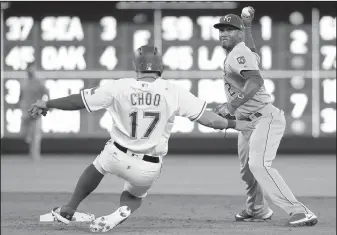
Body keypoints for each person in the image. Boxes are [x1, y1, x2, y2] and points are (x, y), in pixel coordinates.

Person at [29, 45, 255, 232]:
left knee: (97, 166)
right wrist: (237, 124)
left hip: (116, 153)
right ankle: (122, 211)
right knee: (134, 195)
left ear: (136, 66)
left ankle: (69, 208)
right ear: (160, 68)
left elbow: (78, 101)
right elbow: (211, 121)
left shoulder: (120, 86)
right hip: (148, 166)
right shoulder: (173, 90)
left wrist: (47, 104)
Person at [212, 7, 318, 226]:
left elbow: (255, 81)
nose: (224, 32)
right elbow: (251, 50)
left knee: (259, 165)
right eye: (221, 29)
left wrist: (231, 106)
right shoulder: (242, 51)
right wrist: (248, 26)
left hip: (264, 118)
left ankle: (299, 211)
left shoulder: (238, 53)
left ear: (238, 33)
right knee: (247, 171)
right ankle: (257, 209)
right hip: (247, 123)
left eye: (230, 29)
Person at [19, 61, 48, 161]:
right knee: (26, 134)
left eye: (33, 68)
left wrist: (45, 104)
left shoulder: (38, 81)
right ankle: (32, 150)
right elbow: (21, 94)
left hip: (36, 110)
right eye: (29, 68)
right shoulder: (24, 81)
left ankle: (35, 155)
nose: (31, 70)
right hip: (25, 110)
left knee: (35, 134)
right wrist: (18, 104)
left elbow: (46, 92)